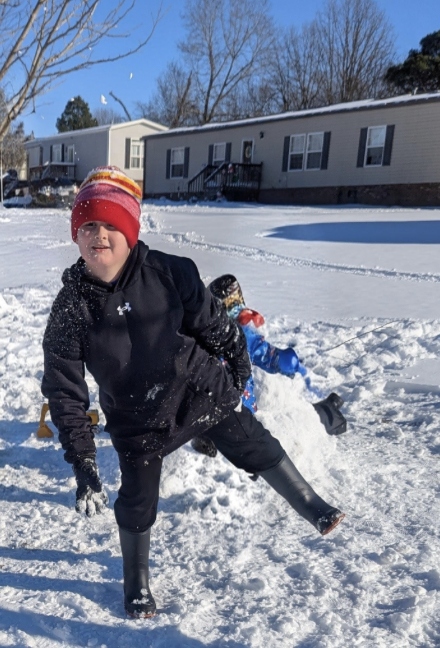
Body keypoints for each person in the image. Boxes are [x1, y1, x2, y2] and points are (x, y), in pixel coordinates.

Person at [41, 166, 345, 619]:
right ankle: (137, 582)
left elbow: (213, 324)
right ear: (75, 236)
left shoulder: (169, 272)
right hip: (136, 419)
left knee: (253, 442)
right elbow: (65, 393)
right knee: (138, 501)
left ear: (129, 231)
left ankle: (311, 503)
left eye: (110, 224)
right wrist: (84, 463)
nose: (98, 235)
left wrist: (238, 367)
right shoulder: (70, 309)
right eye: (88, 225)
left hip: (199, 390)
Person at [191, 274, 347, 457]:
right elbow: (272, 359)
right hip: (241, 414)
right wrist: (289, 362)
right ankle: (325, 415)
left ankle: (207, 435)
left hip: (207, 409)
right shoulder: (240, 335)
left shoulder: (199, 336)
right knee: (284, 422)